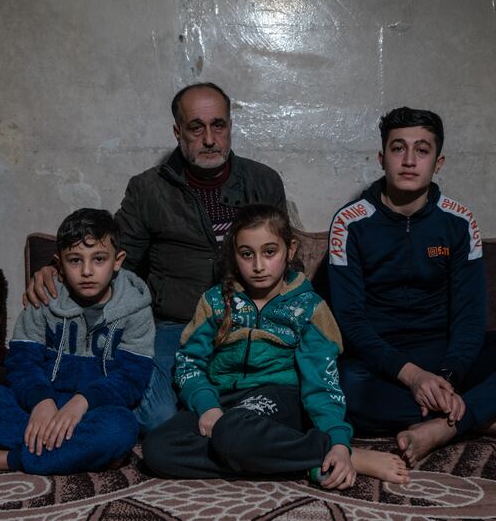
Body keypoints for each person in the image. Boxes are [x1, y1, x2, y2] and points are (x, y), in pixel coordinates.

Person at [25, 83, 286, 432]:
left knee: (286, 401)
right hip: (174, 325)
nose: (209, 138)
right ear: (178, 133)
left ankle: (217, 419)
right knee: (155, 418)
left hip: (246, 320)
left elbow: (285, 258)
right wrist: (56, 269)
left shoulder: (263, 182)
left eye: (218, 125)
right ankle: (209, 422)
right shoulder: (148, 189)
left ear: (229, 128)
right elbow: (114, 256)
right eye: (196, 127)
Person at [328, 107, 496, 466]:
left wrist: (445, 377)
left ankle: (447, 425)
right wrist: (413, 376)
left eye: (422, 150)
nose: (410, 160)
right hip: (382, 362)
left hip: (447, 356)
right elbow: (350, 321)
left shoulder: (459, 221)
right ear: (382, 158)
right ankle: (490, 419)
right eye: (399, 149)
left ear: (438, 161)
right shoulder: (350, 223)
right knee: (338, 387)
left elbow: (470, 315)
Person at [142, 204, 409, 487]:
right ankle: (306, 460)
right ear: (234, 254)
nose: (258, 266)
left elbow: (323, 384)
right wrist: (207, 406)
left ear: (290, 250)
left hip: (277, 400)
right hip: (222, 401)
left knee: (232, 432)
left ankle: (334, 452)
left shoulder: (309, 307)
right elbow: (188, 364)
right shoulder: (215, 301)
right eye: (247, 254)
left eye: (270, 252)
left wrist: (339, 442)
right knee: (157, 449)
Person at [0, 208, 155, 474]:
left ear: (117, 261)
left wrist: (82, 401)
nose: (87, 271)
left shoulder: (136, 307)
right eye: (75, 260)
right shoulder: (44, 297)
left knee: (120, 428)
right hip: (37, 408)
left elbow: (132, 378)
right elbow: (21, 362)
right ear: (59, 264)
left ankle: (7, 460)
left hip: (91, 411)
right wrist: (41, 402)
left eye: (99, 259)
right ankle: (75, 452)